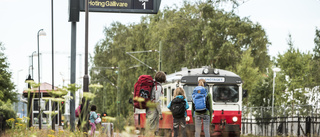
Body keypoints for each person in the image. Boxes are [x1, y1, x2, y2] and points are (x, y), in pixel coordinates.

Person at [146, 71, 166, 136]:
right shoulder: (158, 87)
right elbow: (157, 100)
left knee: (150, 126)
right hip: (154, 109)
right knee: (154, 128)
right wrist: (160, 112)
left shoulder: (154, 85)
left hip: (149, 108)